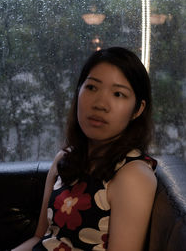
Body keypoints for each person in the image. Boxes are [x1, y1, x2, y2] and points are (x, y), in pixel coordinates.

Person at [13, 47, 157, 250]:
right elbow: (40, 237)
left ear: (138, 109)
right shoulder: (65, 158)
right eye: (91, 88)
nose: (100, 104)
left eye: (118, 94)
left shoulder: (133, 175)